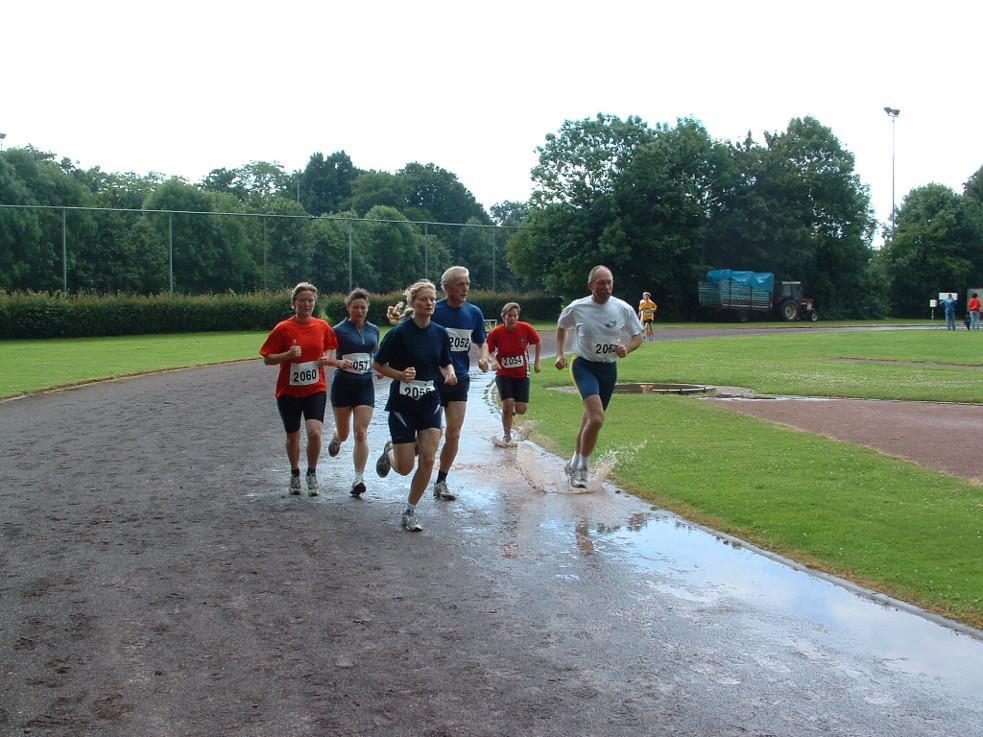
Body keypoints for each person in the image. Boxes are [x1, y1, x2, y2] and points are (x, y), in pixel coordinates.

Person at [373, 280, 457, 532]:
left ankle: (410, 511)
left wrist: (450, 373)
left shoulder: (440, 332)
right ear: (413, 302)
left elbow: (446, 361)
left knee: (429, 458)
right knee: (405, 467)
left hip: (430, 400)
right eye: (424, 299)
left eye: (432, 299)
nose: (429, 303)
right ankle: (390, 453)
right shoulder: (399, 333)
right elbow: (378, 365)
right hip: (402, 404)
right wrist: (400, 375)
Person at [555, 265, 643, 488]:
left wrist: (627, 349)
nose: (605, 287)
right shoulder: (578, 307)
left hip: (608, 369)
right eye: (601, 283)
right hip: (584, 366)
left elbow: (637, 336)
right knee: (596, 418)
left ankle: (574, 462)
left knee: (589, 420)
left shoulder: (622, 308)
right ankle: (583, 469)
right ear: (591, 285)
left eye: (609, 282)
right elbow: (561, 326)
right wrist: (559, 353)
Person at [259, 282, 339, 496]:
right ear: (294, 303)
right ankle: (295, 472)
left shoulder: (322, 326)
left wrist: (327, 358)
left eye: (310, 301)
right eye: (302, 300)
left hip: (315, 388)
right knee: (293, 436)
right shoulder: (283, 328)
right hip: (289, 391)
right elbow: (267, 358)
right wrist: (286, 356)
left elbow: (332, 345)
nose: (306, 304)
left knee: (314, 432)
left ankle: (311, 472)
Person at [431, 265, 490, 501]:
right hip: (433, 380)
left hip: (460, 379)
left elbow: (481, 341)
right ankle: (403, 446)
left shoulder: (474, 312)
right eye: (460, 284)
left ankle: (441, 482)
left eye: (468, 283)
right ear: (446, 287)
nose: (466, 288)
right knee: (432, 434)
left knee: (453, 433)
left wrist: (484, 357)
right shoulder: (434, 311)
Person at [326, 288, 380, 497]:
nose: (359, 311)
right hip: (343, 384)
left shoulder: (373, 329)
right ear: (348, 307)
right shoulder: (338, 330)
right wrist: (339, 361)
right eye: (355, 307)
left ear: (367, 309)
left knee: (360, 432)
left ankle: (358, 478)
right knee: (345, 432)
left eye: (363, 307)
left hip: (364, 384)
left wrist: (379, 367)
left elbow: (376, 353)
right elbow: (326, 358)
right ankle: (337, 439)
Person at [487, 302, 542, 445]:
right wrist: (493, 361)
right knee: (507, 404)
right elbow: (487, 350)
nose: (512, 319)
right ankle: (507, 436)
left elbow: (537, 342)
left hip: (522, 373)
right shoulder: (496, 332)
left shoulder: (525, 328)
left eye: (515, 316)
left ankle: (510, 414)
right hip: (503, 373)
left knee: (521, 409)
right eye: (509, 316)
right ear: (503, 316)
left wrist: (537, 362)